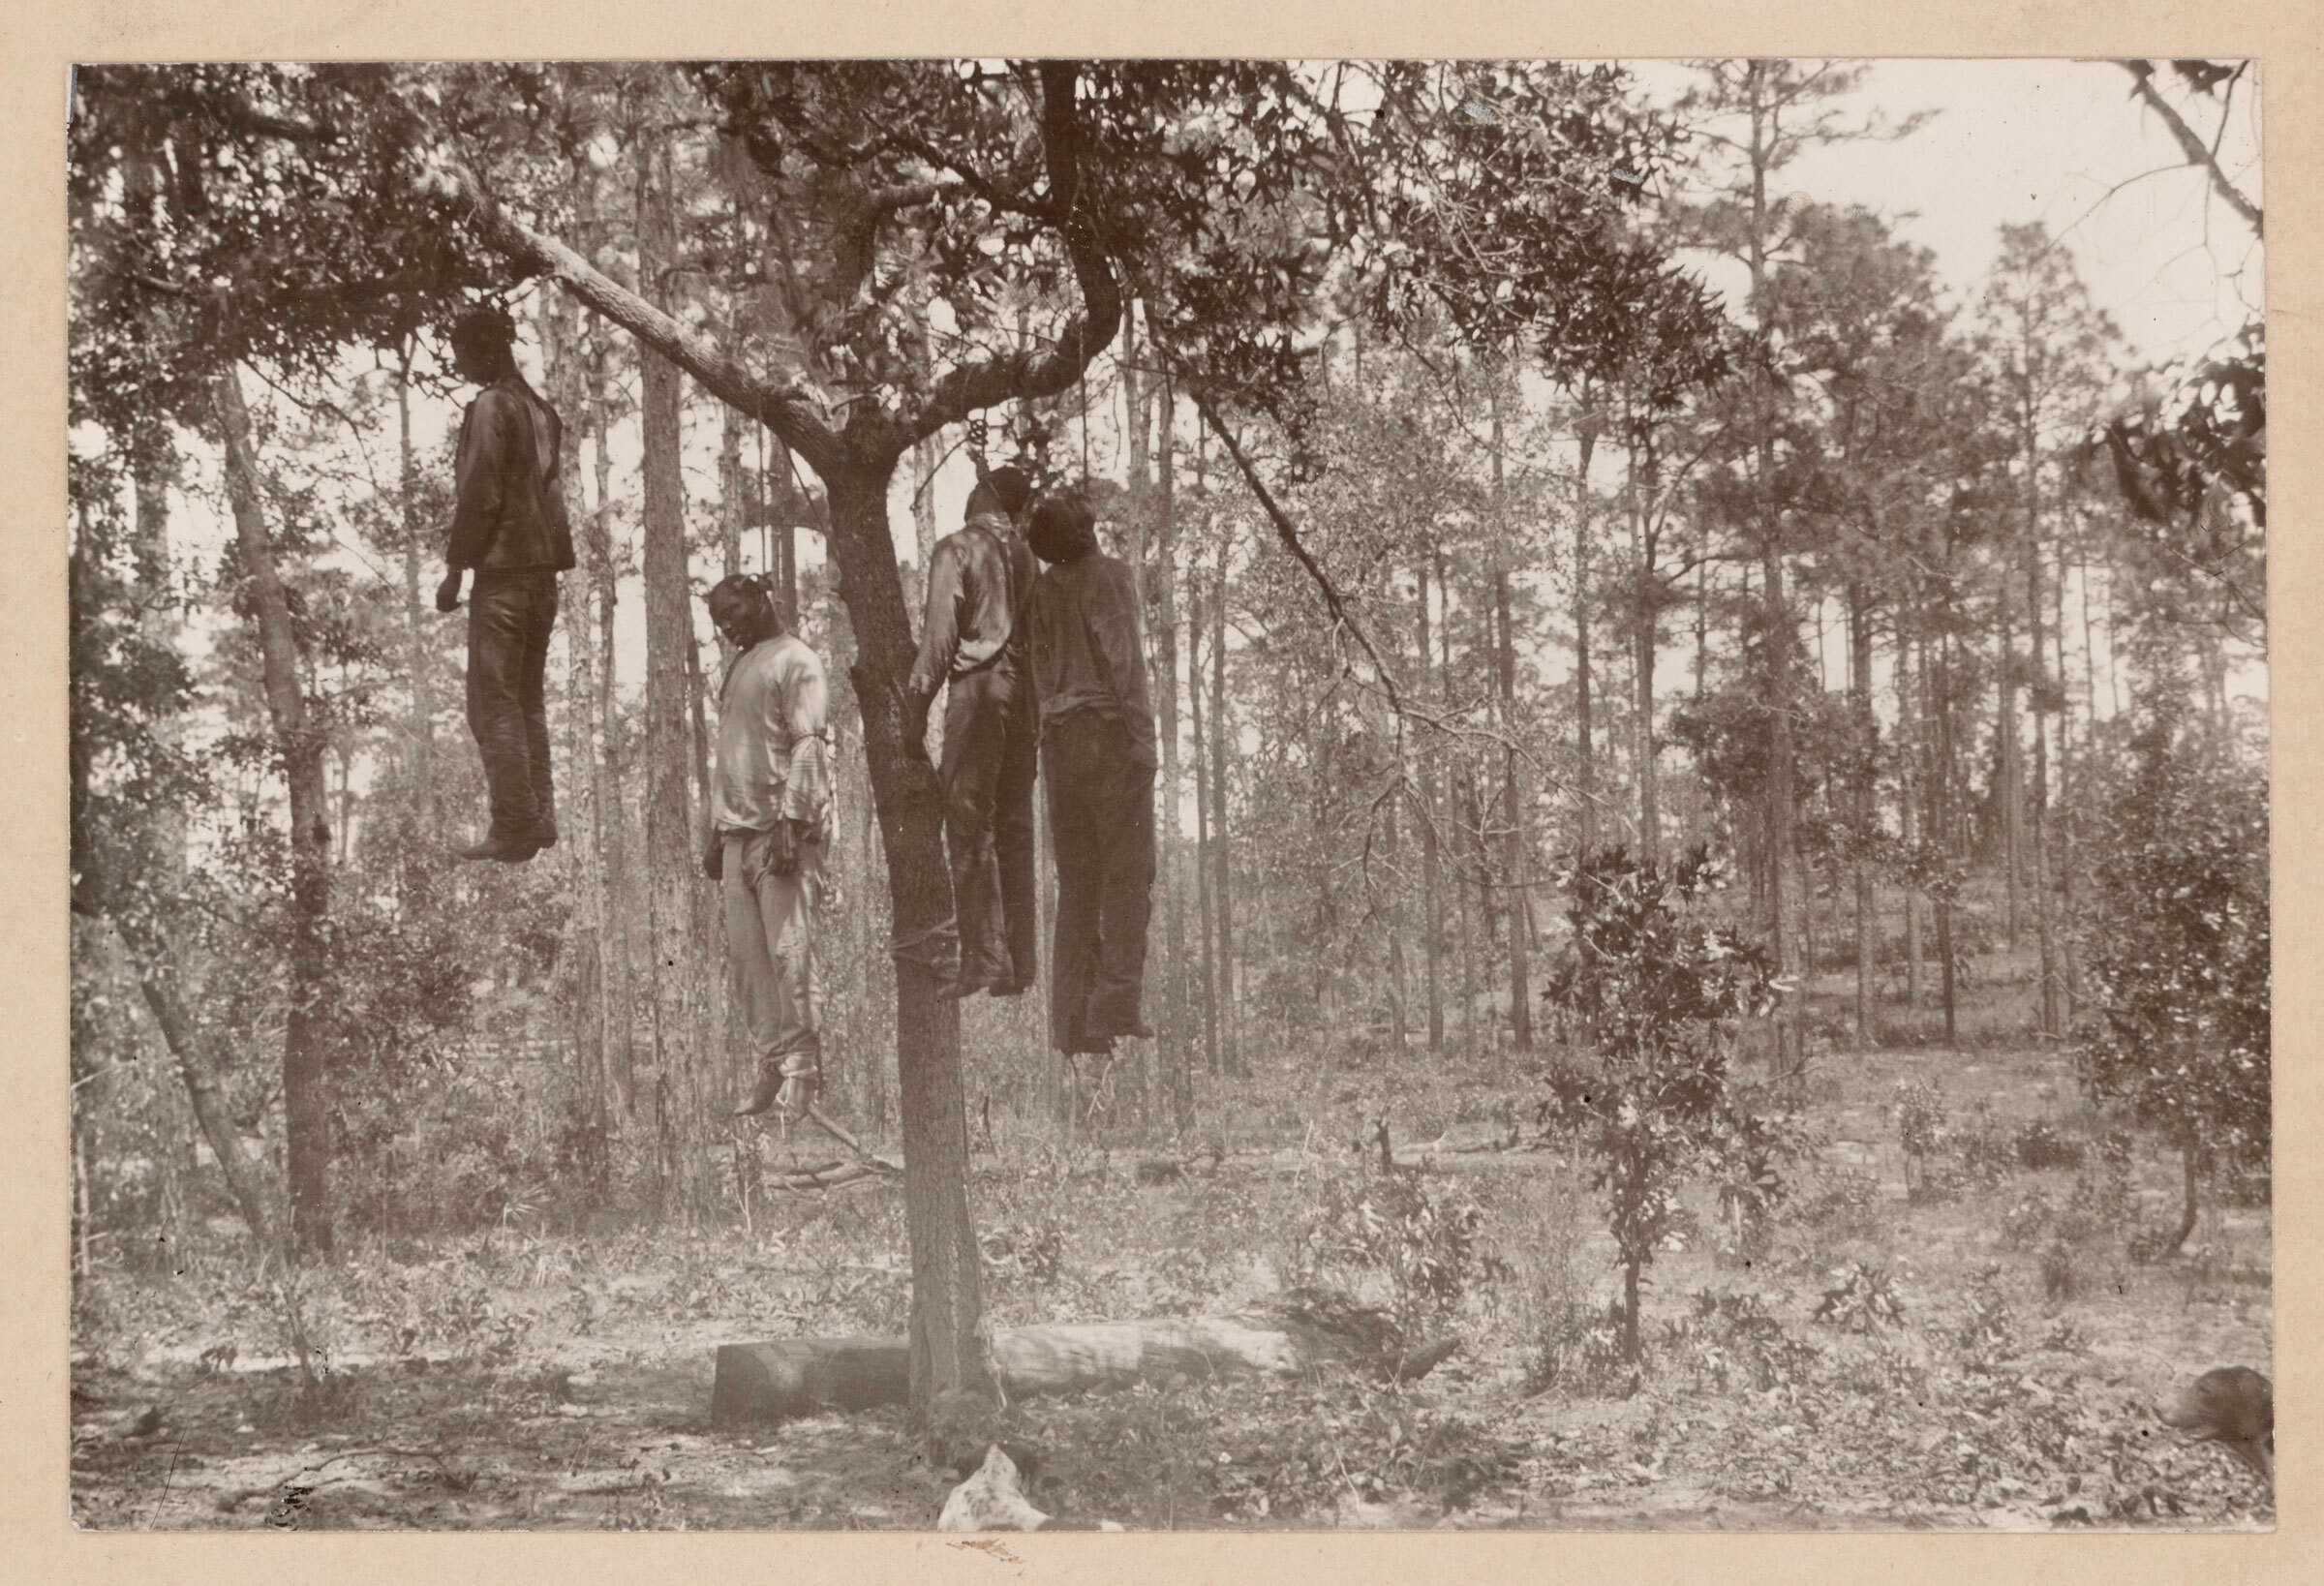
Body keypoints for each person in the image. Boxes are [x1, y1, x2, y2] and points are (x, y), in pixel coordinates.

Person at [435, 304, 575, 863]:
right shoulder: (541, 409)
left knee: (491, 702)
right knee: (525, 699)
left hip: (505, 576)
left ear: (484, 349)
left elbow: (482, 493)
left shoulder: (493, 406)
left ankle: (516, 821)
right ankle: (537, 816)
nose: (456, 361)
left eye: (462, 351)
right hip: (542, 579)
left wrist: (454, 569)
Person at [1024, 491, 1157, 1056]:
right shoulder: (1107, 577)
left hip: (1058, 746)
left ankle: (1073, 1024)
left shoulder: (1040, 591)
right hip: (1106, 736)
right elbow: (1123, 657)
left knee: (1078, 887)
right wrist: (1144, 739)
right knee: (1128, 876)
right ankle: (1115, 1006)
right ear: (1085, 532)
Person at [903, 466, 1040, 1000]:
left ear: (985, 495)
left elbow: (939, 640)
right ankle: (1014, 965)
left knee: (967, 823)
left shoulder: (956, 548)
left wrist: (915, 712)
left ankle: (982, 961)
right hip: (1024, 699)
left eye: (975, 485)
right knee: (1012, 827)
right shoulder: (1027, 556)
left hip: (979, 693)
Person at [702, 573, 835, 1123]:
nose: (728, 627)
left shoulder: (796, 659)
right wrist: (715, 832)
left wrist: (795, 819)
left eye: (734, 613)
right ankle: (772, 1062)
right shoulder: (739, 664)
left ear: (762, 600)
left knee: (789, 953)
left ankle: (803, 1070)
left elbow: (807, 743)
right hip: (737, 835)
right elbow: (734, 750)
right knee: (748, 963)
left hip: (783, 833)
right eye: (719, 622)